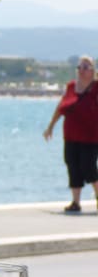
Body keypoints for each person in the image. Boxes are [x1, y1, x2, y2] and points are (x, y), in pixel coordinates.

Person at [44, 54, 98, 213]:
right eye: (79, 67)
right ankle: (75, 202)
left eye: (85, 67)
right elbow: (61, 107)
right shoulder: (71, 87)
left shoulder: (96, 88)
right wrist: (51, 126)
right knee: (72, 165)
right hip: (71, 135)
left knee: (88, 167)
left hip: (91, 136)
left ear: (93, 71)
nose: (81, 70)